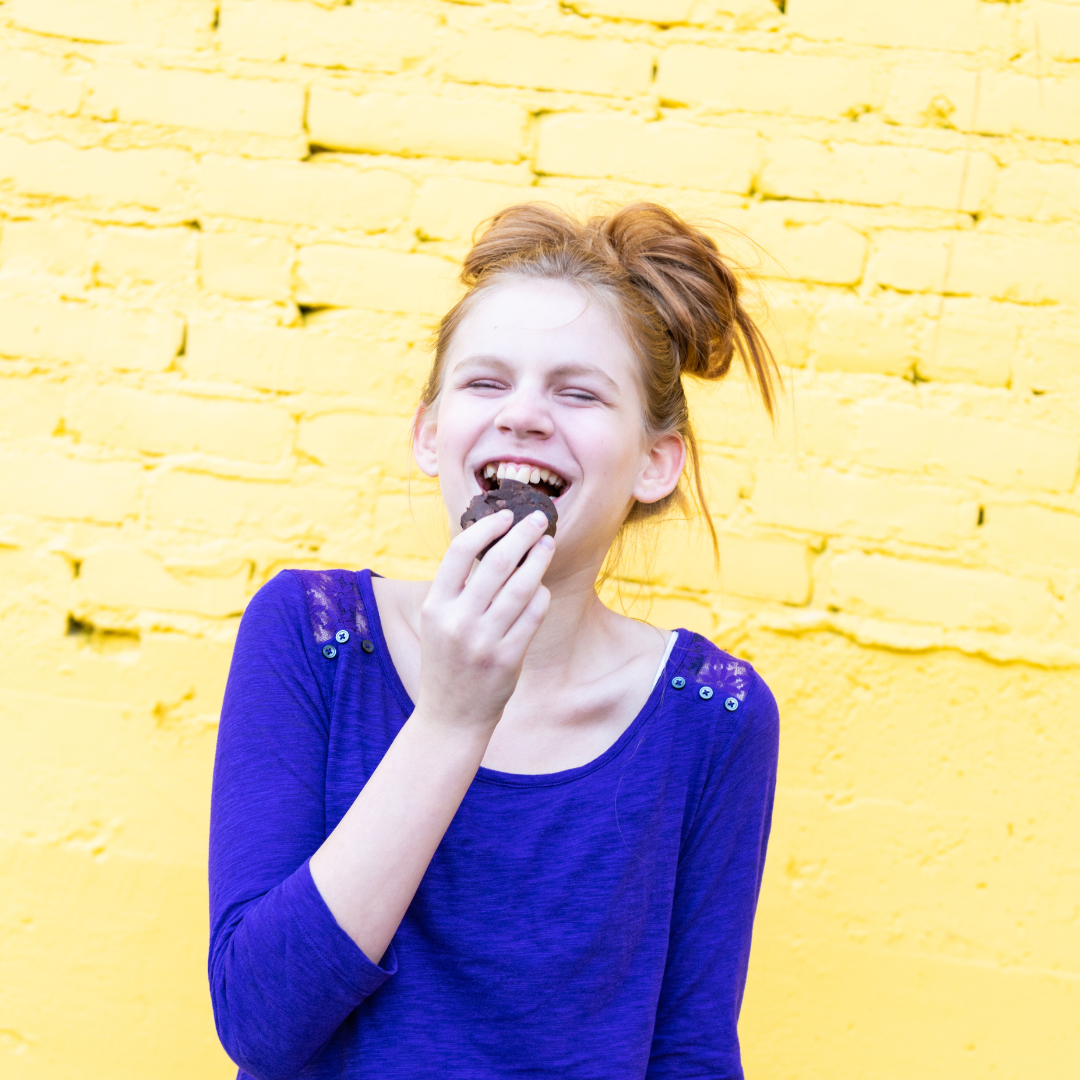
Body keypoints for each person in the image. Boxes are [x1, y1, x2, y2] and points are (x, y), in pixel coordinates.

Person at [208, 202, 781, 1080]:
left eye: (579, 392)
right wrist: (449, 720)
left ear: (654, 462)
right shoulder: (313, 637)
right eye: (485, 383)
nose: (524, 415)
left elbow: (691, 1052)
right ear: (430, 435)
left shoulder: (714, 716)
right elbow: (258, 1021)